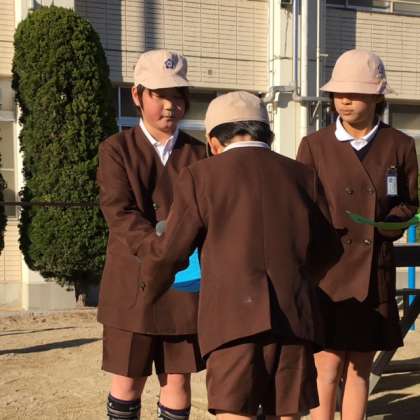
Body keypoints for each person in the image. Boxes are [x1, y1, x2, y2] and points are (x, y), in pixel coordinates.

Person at [139, 91, 343, 420]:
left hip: (231, 321)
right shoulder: (303, 176)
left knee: (235, 412)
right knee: (287, 413)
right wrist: (301, 279)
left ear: (213, 142)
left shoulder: (200, 176)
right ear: (267, 134)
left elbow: (172, 251)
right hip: (294, 319)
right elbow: (329, 248)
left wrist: (149, 285)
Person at [296, 49, 419, 420]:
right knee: (327, 365)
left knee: (360, 367)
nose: (344, 101)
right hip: (327, 272)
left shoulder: (400, 145)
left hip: (373, 268)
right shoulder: (315, 145)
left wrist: (389, 224)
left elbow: (409, 202)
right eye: (339, 93)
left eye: (355, 93)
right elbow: (301, 204)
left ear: (377, 97)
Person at [96, 49, 206, 420]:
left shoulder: (200, 154)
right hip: (132, 283)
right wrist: (163, 250)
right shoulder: (116, 149)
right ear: (137, 95)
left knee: (177, 381)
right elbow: (119, 212)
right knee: (128, 381)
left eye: (177, 95)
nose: (170, 105)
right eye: (159, 94)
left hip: (184, 285)